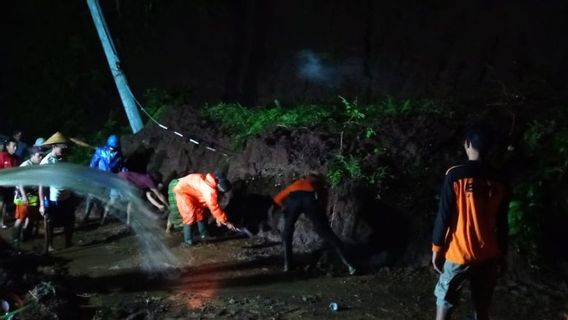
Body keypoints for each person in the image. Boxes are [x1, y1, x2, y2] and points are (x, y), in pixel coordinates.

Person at [432, 125, 509, 320]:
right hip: (489, 254)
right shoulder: (500, 180)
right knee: (482, 307)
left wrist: (437, 248)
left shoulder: (455, 174)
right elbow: (502, 221)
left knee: (444, 301)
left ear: (467, 145)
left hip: (459, 253)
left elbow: (444, 214)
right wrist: (503, 253)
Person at [272, 173, 357, 274]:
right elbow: (323, 202)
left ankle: (288, 266)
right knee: (326, 233)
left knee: (287, 232)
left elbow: (277, 199)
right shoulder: (319, 186)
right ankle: (350, 264)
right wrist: (322, 218)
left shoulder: (295, 185)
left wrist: (284, 208)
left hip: (293, 199)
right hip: (310, 199)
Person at [173, 171, 237, 246]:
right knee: (189, 216)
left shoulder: (212, 181)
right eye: (223, 191)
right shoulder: (209, 191)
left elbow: (215, 205)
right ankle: (188, 242)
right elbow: (214, 208)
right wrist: (226, 222)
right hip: (183, 191)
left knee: (201, 214)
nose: (222, 193)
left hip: (194, 192)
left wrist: (218, 218)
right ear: (219, 187)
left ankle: (204, 235)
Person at [39, 132, 76, 254]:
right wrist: (42, 204)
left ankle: (68, 242)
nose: (64, 150)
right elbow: (42, 185)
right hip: (54, 198)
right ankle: (49, 246)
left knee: (70, 220)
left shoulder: (64, 158)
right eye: (62, 147)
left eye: (65, 147)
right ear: (54, 146)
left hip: (67, 195)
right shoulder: (46, 162)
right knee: (50, 223)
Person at [84, 134, 126, 222]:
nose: (114, 149)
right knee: (92, 196)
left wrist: (125, 174)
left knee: (106, 197)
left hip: (111, 178)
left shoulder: (119, 154)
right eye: (112, 147)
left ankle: (102, 217)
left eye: (115, 147)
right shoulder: (100, 151)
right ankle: (86, 215)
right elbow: (93, 163)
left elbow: (121, 167)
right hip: (99, 176)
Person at [12, 146, 44, 247]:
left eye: (42, 155)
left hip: (33, 194)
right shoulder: (25, 165)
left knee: (31, 217)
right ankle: (15, 238)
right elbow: (20, 182)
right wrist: (24, 196)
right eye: (39, 155)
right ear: (32, 156)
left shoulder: (39, 165)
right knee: (21, 218)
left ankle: (25, 237)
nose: (41, 157)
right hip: (23, 194)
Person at [0, 138, 20, 228]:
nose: (15, 148)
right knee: (1, 204)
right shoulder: (2, 156)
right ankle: (1, 221)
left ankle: (2, 220)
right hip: (1, 185)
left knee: (6, 204)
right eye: (13, 146)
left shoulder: (16, 158)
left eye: (16, 146)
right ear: (7, 147)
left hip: (10, 186)